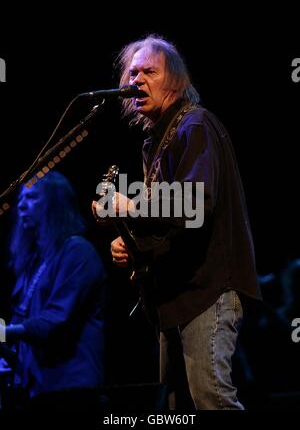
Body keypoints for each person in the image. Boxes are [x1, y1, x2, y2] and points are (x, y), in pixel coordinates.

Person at [92, 34, 262, 410]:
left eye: (149, 71)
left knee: (212, 400)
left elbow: (196, 203)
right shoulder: (155, 141)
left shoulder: (195, 126)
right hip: (176, 294)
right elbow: (171, 225)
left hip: (208, 290)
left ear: (176, 81)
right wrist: (134, 248)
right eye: (132, 73)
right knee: (175, 407)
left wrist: (130, 203)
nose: (136, 80)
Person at [0, 171, 107, 412]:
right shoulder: (36, 260)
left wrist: (5, 333)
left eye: (32, 197)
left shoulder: (78, 252)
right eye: (21, 199)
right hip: (37, 390)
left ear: (54, 202)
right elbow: (24, 322)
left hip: (71, 390)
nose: (21, 205)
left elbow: (55, 320)